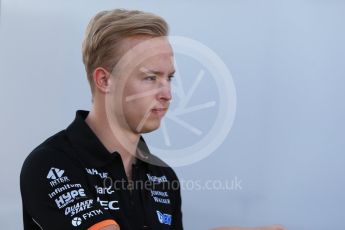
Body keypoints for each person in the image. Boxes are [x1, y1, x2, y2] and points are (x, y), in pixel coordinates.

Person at [20, 9, 285, 230]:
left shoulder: (162, 176)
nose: (168, 94)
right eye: (150, 77)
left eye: (169, 78)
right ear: (104, 80)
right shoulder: (51, 164)